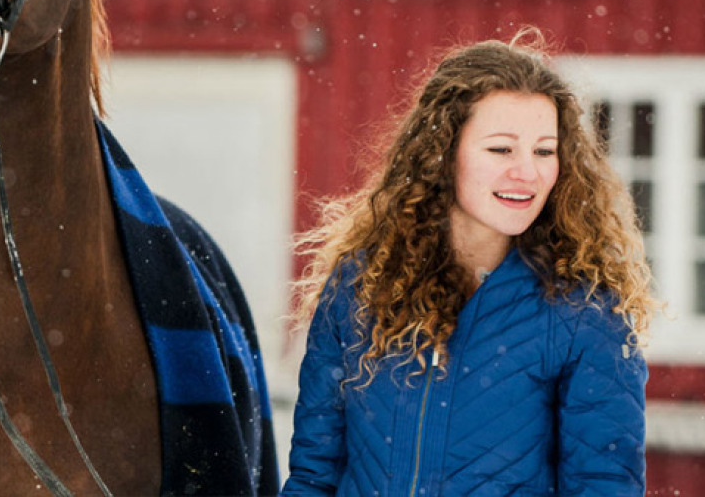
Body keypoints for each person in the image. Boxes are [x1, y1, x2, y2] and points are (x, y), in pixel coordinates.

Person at [282, 28, 658, 496]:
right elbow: (313, 476)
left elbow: (603, 487)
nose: (528, 171)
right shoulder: (361, 286)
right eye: (501, 148)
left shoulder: (584, 313)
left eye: (545, 151)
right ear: (443, 153)